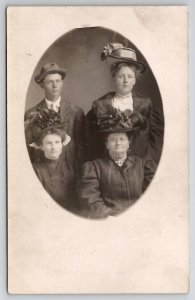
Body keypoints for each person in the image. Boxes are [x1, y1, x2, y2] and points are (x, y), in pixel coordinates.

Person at [85, 43, 164, 164]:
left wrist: (145, 165)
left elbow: (156, 142)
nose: (126, 81)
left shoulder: (146, 106)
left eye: (130, 76)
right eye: (121, 76)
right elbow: (91, 143)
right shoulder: (100, 107)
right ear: (114, 78)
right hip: (108, 170)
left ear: (135, 80)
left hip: (140, 169)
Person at [77, 107, 155, 219]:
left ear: (129, 143)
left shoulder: (142, 165)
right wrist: (108, 215)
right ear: (107, 144)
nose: (118, 143)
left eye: (122, 139)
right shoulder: (94, 168)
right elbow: (90, 198)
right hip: (108, 221)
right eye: (113, 139)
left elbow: (151, 193)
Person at [24, 62, 85, 171]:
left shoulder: (76, 112)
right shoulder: (31, 114)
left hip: (70, 170)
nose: (55, 85)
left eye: (58, 81)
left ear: (62, 83)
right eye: (49, 82)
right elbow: (28, 149)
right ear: (42, 85)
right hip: (42, 171)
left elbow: (81, 147)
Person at [28, 108, 77, 212]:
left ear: (62, 144)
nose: (54, 147)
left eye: (57, 142)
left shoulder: (71, 166)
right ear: (41, 146)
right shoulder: (35, 169)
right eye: (48, 143)